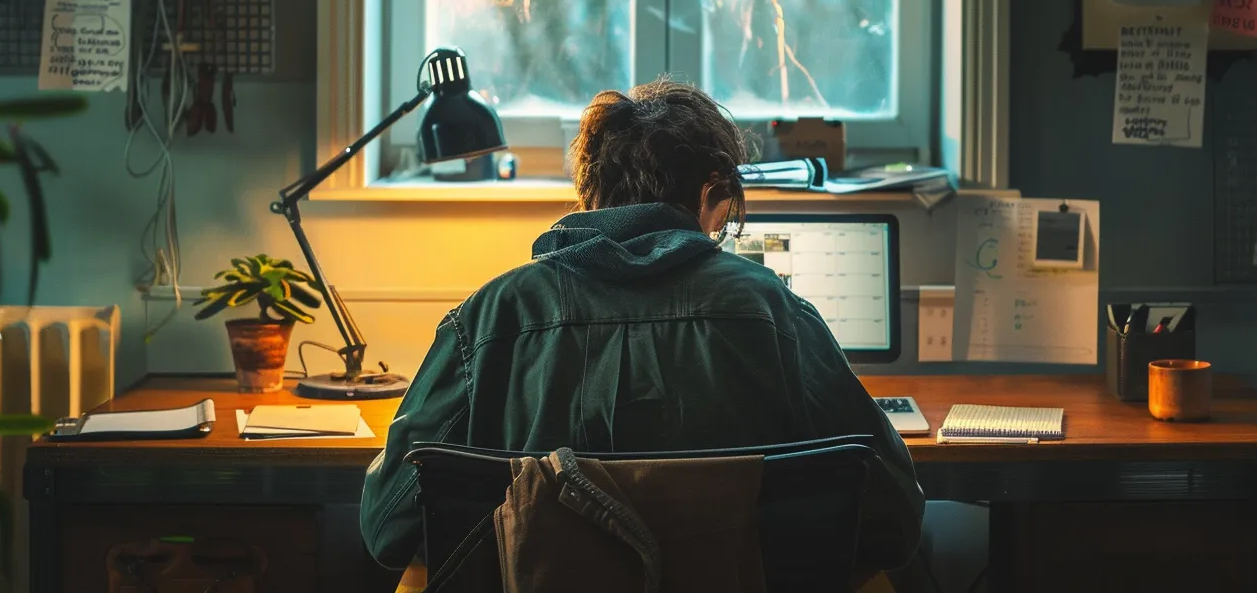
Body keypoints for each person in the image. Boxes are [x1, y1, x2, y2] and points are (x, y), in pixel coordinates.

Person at [359, 79, 924, 578]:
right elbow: (893, 519)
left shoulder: (489, 316)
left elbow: (390, 527)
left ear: (589, 189)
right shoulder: (772, 310)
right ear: (711, 191)